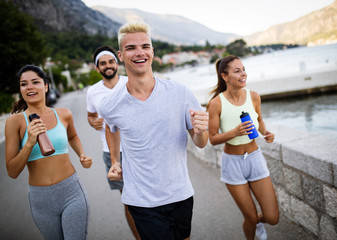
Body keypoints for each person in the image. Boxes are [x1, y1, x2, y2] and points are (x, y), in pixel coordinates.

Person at [98, 21, 209, 240]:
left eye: (145, 46)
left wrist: (201, 130)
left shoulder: (180, 92)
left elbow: (200, 142)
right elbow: (110, 128)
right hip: (141, 199)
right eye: (131, 48)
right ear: (121, 55)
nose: (139, 53)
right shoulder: (110, 104)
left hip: (180, 193)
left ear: (152, 51)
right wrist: (114, 160)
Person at [5, 65, 92, 240]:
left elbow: (73, 136)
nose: (29, 87)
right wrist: (29, 142)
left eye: (35, 82)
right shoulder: (15, 122)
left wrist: (81, 154)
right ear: (20, 89)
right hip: (40, 199)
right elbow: (12, 171)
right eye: (24, 84)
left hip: (71, 192)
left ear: (45, 86)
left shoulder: (64, 114)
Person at [206, 55, 279, 240]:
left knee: (272, 217)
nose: (243, 74)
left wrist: (266, 133)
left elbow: (259, 119)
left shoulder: (254, 96)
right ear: (225, 76)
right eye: (237, 71)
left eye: (243, 69)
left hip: (255, 158)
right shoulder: (216, 103)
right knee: (251, 218)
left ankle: (257, 223)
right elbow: (212, 139)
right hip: (233, 164)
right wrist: (234, 132)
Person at [86, 45, 140, 239]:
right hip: (111, 152)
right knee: (129, 199)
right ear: (97, 68)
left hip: (138, 148)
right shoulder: (93, 92)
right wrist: (94, 123)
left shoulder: (130, 83)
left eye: (110, 61)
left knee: (148, 194)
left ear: (116, 63)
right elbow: (91, 115)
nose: (108, 66)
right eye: (103, 63)